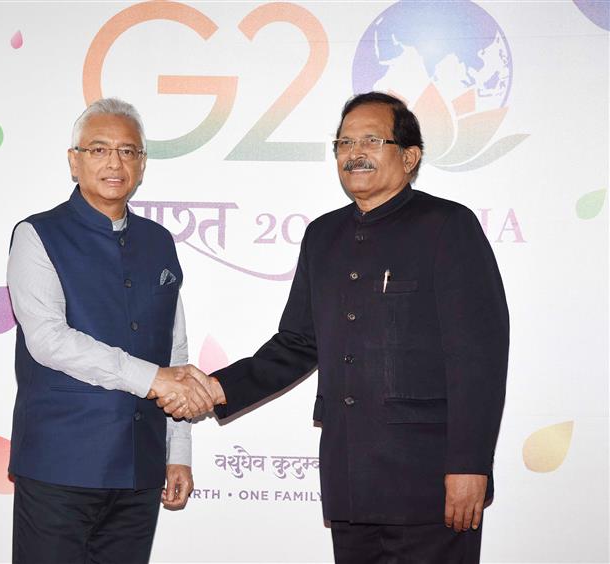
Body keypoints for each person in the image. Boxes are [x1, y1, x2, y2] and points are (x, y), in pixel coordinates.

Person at [162, 92, 509, 563]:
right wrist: (217, 388)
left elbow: (478, 357)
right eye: (343, 142)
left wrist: (469, 464)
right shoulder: (323, 236)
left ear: (410, 157)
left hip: (429, 479)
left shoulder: (448, 226)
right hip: (350, 478)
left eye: (371, 139)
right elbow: (298, 343)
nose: (353, 152)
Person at [6, 98, 213, 564]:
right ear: (73, 160)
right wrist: (152, 379)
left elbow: (173, 347)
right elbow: (49, 340)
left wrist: (177, 451)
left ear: (142, 165)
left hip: (139, 467)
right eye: (98, 150)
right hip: (60, 464)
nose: (114, 163)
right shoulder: (38, 235)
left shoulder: (159, 242)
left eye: (128, 151)